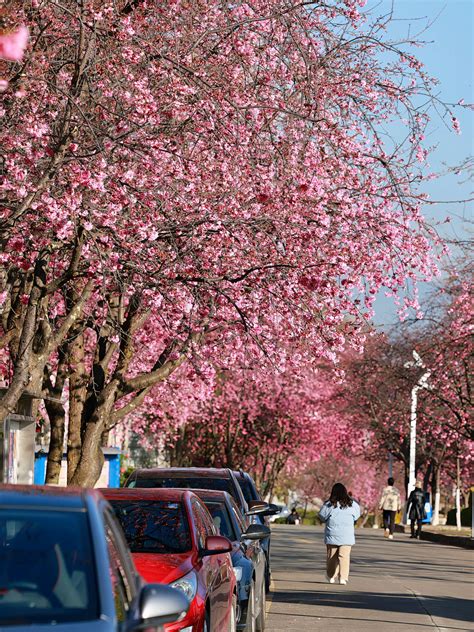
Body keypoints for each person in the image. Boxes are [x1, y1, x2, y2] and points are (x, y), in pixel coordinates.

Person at [319, 483, 360, 585]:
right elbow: (357, 516)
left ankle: (330, 576)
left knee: (331, 558)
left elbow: (322, 516)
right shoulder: (352, 504)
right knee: (344, 556)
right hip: (347, 536)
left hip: (332, 535)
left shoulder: (329, 504)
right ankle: (343, 578)